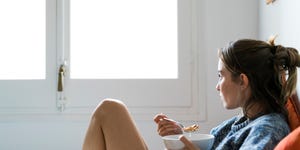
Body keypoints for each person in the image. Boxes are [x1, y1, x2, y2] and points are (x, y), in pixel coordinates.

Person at [82, 37, 300, 150]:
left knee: (110, 110)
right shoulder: (244, 121)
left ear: (242, 80)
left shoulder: (267, 128)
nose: (217, 86)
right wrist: (180, 135)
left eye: (220, 76)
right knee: (109, 110)